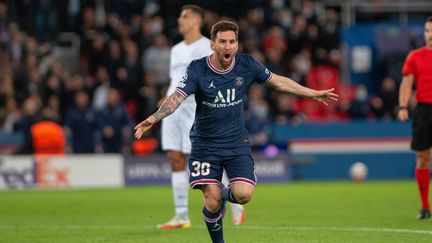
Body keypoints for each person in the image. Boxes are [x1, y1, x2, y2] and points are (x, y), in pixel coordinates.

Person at [134, 20, 338, 243]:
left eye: (232, 42)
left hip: (235, 143)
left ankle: (222, 195)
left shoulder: (246, 65)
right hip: (205, 145)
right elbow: (176, 98)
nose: (228, 47)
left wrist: (311, 93)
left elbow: (279, 82)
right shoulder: (197, 69)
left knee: (243, 195)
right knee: (211, 201)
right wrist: (153, 119)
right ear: (212, 44)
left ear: (237, 44)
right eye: (223, 42)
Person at [157, 5, 246, 229]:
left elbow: (217, 76)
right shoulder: (176, 49)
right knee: (175, 158)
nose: (179, 20)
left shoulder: (208, 46)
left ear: (196, 21)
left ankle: (235, 203)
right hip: (173, 111)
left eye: (184, 16)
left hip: (195, 111)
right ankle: (181, 216)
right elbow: (176, 81)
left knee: (207, 162)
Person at [398, 16, 432, 220]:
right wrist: (402, 106)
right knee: (422, 158)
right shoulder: (415, 56)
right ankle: (425, 206)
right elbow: (406, 83)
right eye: (428, 31)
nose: (430, 35)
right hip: (424, 111)